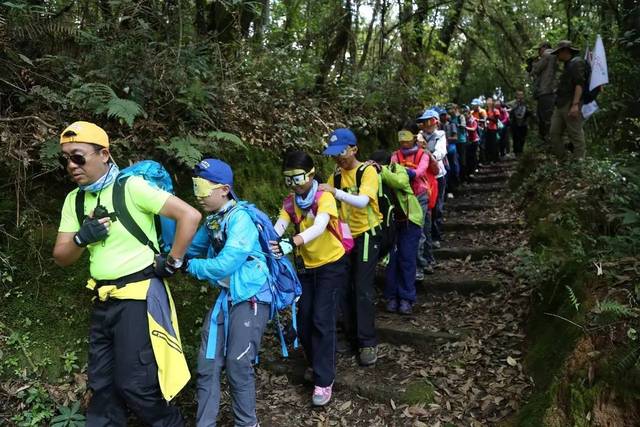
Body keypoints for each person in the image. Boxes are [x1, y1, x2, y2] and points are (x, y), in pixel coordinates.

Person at [53, 121, 201, 426]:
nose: (70, 165)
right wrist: (83, 237)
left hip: (139, 300)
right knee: (103, 387)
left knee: (137, 385)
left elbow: (190, 215)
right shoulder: (75, 200)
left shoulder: (130, 187)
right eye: (65, 158)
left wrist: (173, 261)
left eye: (78, 156)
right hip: (103, 299)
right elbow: (62, 256)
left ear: (104, 154)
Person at [183, 158, 271, 427]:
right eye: (195, 187)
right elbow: (191, 248)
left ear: (223, 189)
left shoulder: (240, 218)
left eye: (202, 188)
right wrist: (171, 255)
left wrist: (188, 265)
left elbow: (227, 263)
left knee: (237, 364)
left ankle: (247, 424)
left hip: (251, 297)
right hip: (227, 298)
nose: (198, 195)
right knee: (207, 364)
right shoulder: (213, 220)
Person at [272, 151, 347, 406]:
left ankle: (324, 380)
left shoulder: (324, 198)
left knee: (321, 319)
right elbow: (278, 227)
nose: (294, 183)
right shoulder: (290, 202)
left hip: (331, 265)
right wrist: (266, 242)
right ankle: (317, 363)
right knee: (303, 322)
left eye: (298, 177)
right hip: (306, 268)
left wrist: (294, 241)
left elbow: (320, 225)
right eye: (288, 178)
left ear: (312, 173)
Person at [319, 128, 383, 366]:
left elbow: (363, 201)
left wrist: (335, 192)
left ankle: (367, 342)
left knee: (363, 287)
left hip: (367, 234)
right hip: (344, 238)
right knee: (343, 287)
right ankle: (349, 336)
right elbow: (322, 199)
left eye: (342, 152)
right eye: (334, 154)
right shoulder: (334, 176)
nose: (338, 157)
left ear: (354, 149)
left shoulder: (367, 172)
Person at [371, 149, 424, 315]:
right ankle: (392, 296)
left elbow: (400, 183)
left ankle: (406, 298)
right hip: (390, 224)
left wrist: (382, 170)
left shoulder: (398, 169)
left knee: (406, 258)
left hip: (409, 220)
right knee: (392, 261)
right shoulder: (372, 176)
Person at [391, 125, 435, 278]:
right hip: (402, 197)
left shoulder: (423, 154)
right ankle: (408, 264)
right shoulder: (395, 155)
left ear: (414, 138)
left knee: (419, 229)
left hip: (420, 194)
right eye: (401, 138)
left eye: (406, 138)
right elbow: (392, 169)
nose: (403, 142)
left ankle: (419, 265)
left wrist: (407, 173)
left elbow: (420, 171)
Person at [549, 40, 587, 160]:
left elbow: (579, 84)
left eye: (558, 53)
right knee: (554, 133)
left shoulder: (576, 63)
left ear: (565, 51)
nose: (557, 56)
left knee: (575, 134)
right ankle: (564, 161)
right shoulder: (567, 65)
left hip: (571, 103)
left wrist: (575, 105)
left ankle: (579, 164)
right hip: (560, 104)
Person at [416, 110, 447, 249]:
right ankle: (427, 239)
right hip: (422, 176)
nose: (428, 125)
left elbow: (441, 152)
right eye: (425, 122)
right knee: (425, 208)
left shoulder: (440, 135)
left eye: (430, 121)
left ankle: (436, 235)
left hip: (437, 175)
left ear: (436, 122)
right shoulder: (419, 136)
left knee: (437, 207)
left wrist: (428, 154)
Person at [530, 41, 558, 144]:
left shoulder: (547, 54)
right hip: (551, 91)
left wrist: (533, 64)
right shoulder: (555, 55)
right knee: (547, 117)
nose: (538, 51)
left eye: (539, 49)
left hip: (546, 92)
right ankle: (549, 141)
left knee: (545, 118)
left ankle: (549, 141)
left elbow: (535, 70)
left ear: (545, 47)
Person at [509, 90, 531, 156]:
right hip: (515, 124)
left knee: (522, 138)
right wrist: (514, 107)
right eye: (518, 95)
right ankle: (516, 153)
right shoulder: (512, 103)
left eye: (521, 95)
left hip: (523, 124)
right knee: (515, 138)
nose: (520, 96)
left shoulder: (526, 103)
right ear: (516, 96)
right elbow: (507, 109)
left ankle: (520, 152)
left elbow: (529, 112)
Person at [464, 106, 480, 176]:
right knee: (469, 156)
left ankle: (474, 169)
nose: (465, 116)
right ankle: (470, 170)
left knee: (473, 155)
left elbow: (474, 129)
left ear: (469, 114)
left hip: (474, 140)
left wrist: (465, 128)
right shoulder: (465, 121)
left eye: (466, 114)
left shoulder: (473, 120)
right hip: (468, 141)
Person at [484, 97, 501, 163]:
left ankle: (495, 159)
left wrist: (488, 118)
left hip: (493, 129)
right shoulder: (486, 110)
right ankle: (489, 159)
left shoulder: (495, 110)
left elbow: (496, 121)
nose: (488, 102)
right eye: (487, 101)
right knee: (488, 144)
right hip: (487, 129)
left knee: (494, 144)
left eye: (490, 101)